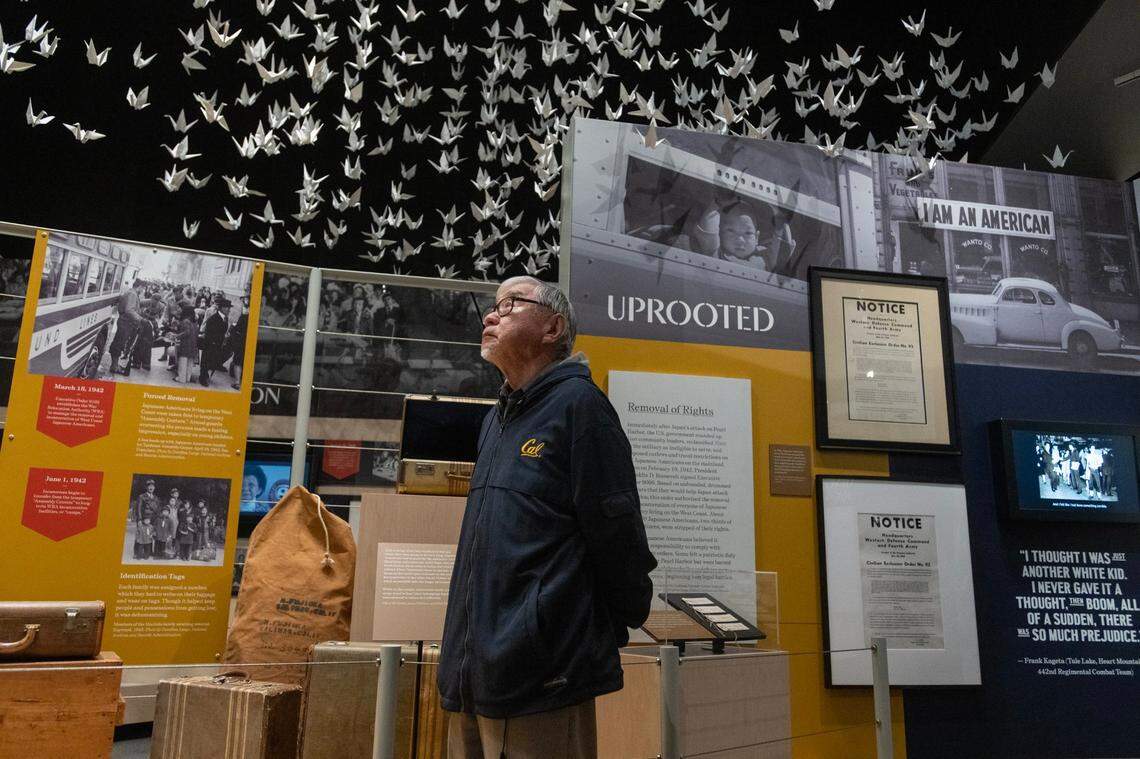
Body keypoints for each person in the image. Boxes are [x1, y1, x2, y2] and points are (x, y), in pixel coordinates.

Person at [438, 276, 657, 759]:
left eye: (511, 304)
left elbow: (617, 535)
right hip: (474, 672)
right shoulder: (496, 419)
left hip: (542, 673)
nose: (492, 316)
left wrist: (593, 629)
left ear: (552, 327)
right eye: (493, 306)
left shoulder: (581, 409)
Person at [108, 279, 146, 375]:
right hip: (126, 323)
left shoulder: (130, 292)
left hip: (125, 322)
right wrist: (140, 319)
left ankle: (115, 365)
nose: (143, 290)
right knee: (119, 344)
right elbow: (129, 310)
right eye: (143, 288)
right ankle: (114, 366)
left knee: (119, 343)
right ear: (140, 286)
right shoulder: (132, 294)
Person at [199, 297, 232, 387]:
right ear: (221, 308)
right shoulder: (213, 318)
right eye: (227, 308)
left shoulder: (225, 318)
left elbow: (222, 331)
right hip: (210, 344)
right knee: (206, 361)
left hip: (217, 344)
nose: (229, 310)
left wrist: (224, 337)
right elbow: (209, 333)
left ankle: (206, 375)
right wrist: (221, 337)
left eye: (229, 308)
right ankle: (202, 378)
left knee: (212, 361)